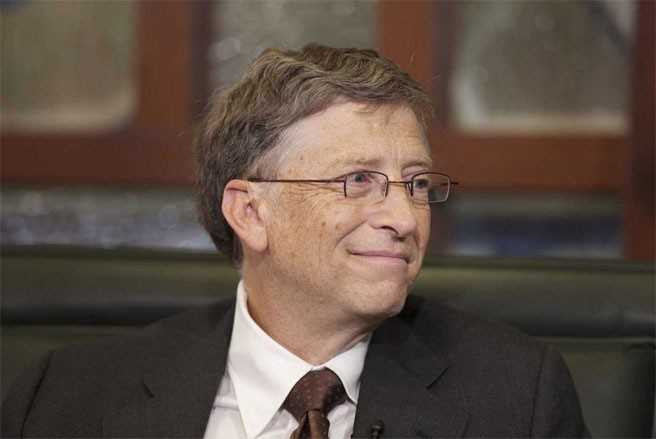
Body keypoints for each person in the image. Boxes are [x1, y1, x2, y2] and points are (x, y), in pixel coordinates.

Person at [2, 45, 588, 438]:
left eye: (415, 184)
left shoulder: (516, 399)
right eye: (358, 181)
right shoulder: (66, 399)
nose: (405, 218)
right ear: (250, 212)